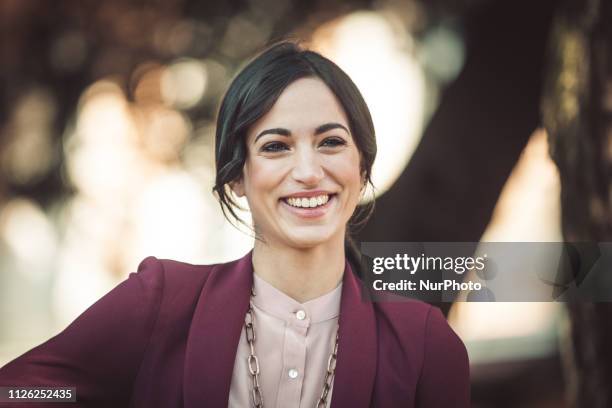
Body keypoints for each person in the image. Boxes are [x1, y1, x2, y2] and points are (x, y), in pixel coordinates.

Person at [0, 41, 470, 408]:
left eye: (330, 142)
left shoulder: (424, 344)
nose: (308, 170)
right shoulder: (160, 303)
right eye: (275, 146)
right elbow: (20, 392)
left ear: (361, 167)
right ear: (238, 178)